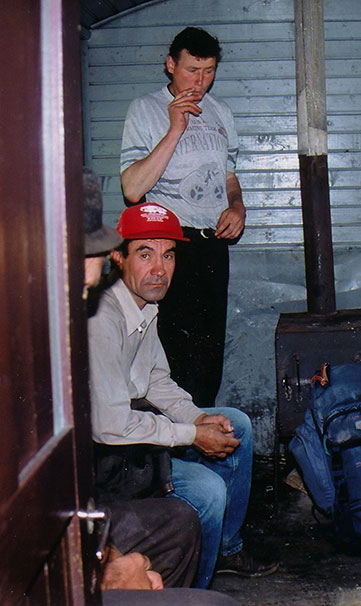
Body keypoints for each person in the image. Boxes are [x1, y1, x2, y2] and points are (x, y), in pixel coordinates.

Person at [87, 201, 277, 589]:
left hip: (129, 434)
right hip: (103, 455)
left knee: (235, 423)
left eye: (168, 255)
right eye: (145, 253)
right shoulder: (103, 318)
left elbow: (157, 381)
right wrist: (192, 435)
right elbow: (112, 426)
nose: (160, 268)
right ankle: (195, 591)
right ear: (117, 257)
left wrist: (195, 418)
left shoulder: (145, 305)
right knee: (207, 492)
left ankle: (226, 548)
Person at [120, 26, 245, 406]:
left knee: (209, 358)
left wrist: (237, 206)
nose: (200, 81)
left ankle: (200, 441)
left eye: (209, 71)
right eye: (192, 69)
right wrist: (175, 128)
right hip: (169, 249)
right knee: (169, 358)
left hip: (211, 247)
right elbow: (132, 189)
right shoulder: (145, 109)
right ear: (170, 64)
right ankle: (166, 456)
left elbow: (228, 176)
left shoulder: (221, 111)